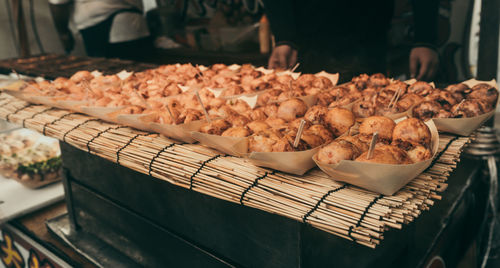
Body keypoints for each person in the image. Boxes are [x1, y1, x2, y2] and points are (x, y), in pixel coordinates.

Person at [262, 0, 439, 81]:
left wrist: (425, 37)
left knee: (368, 99)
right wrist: (284, 36)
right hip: (309, 34)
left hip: (366, 27)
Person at [49, 0, 153, 60]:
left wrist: (63, 33)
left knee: (112, 78)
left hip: (103, 24)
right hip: (135, 21)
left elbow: (58, 3)